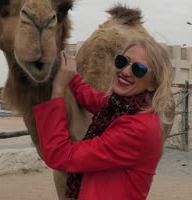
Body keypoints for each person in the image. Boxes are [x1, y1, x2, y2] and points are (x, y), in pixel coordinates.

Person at [33, 39, 175, 200]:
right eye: (122, 61)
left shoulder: (137, 129)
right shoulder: (123, 108)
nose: (125, 72)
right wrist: (71, 75)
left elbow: (61, 155)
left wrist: (58, 89)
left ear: (153, 83)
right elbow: (92, 97)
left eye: (139, 69)